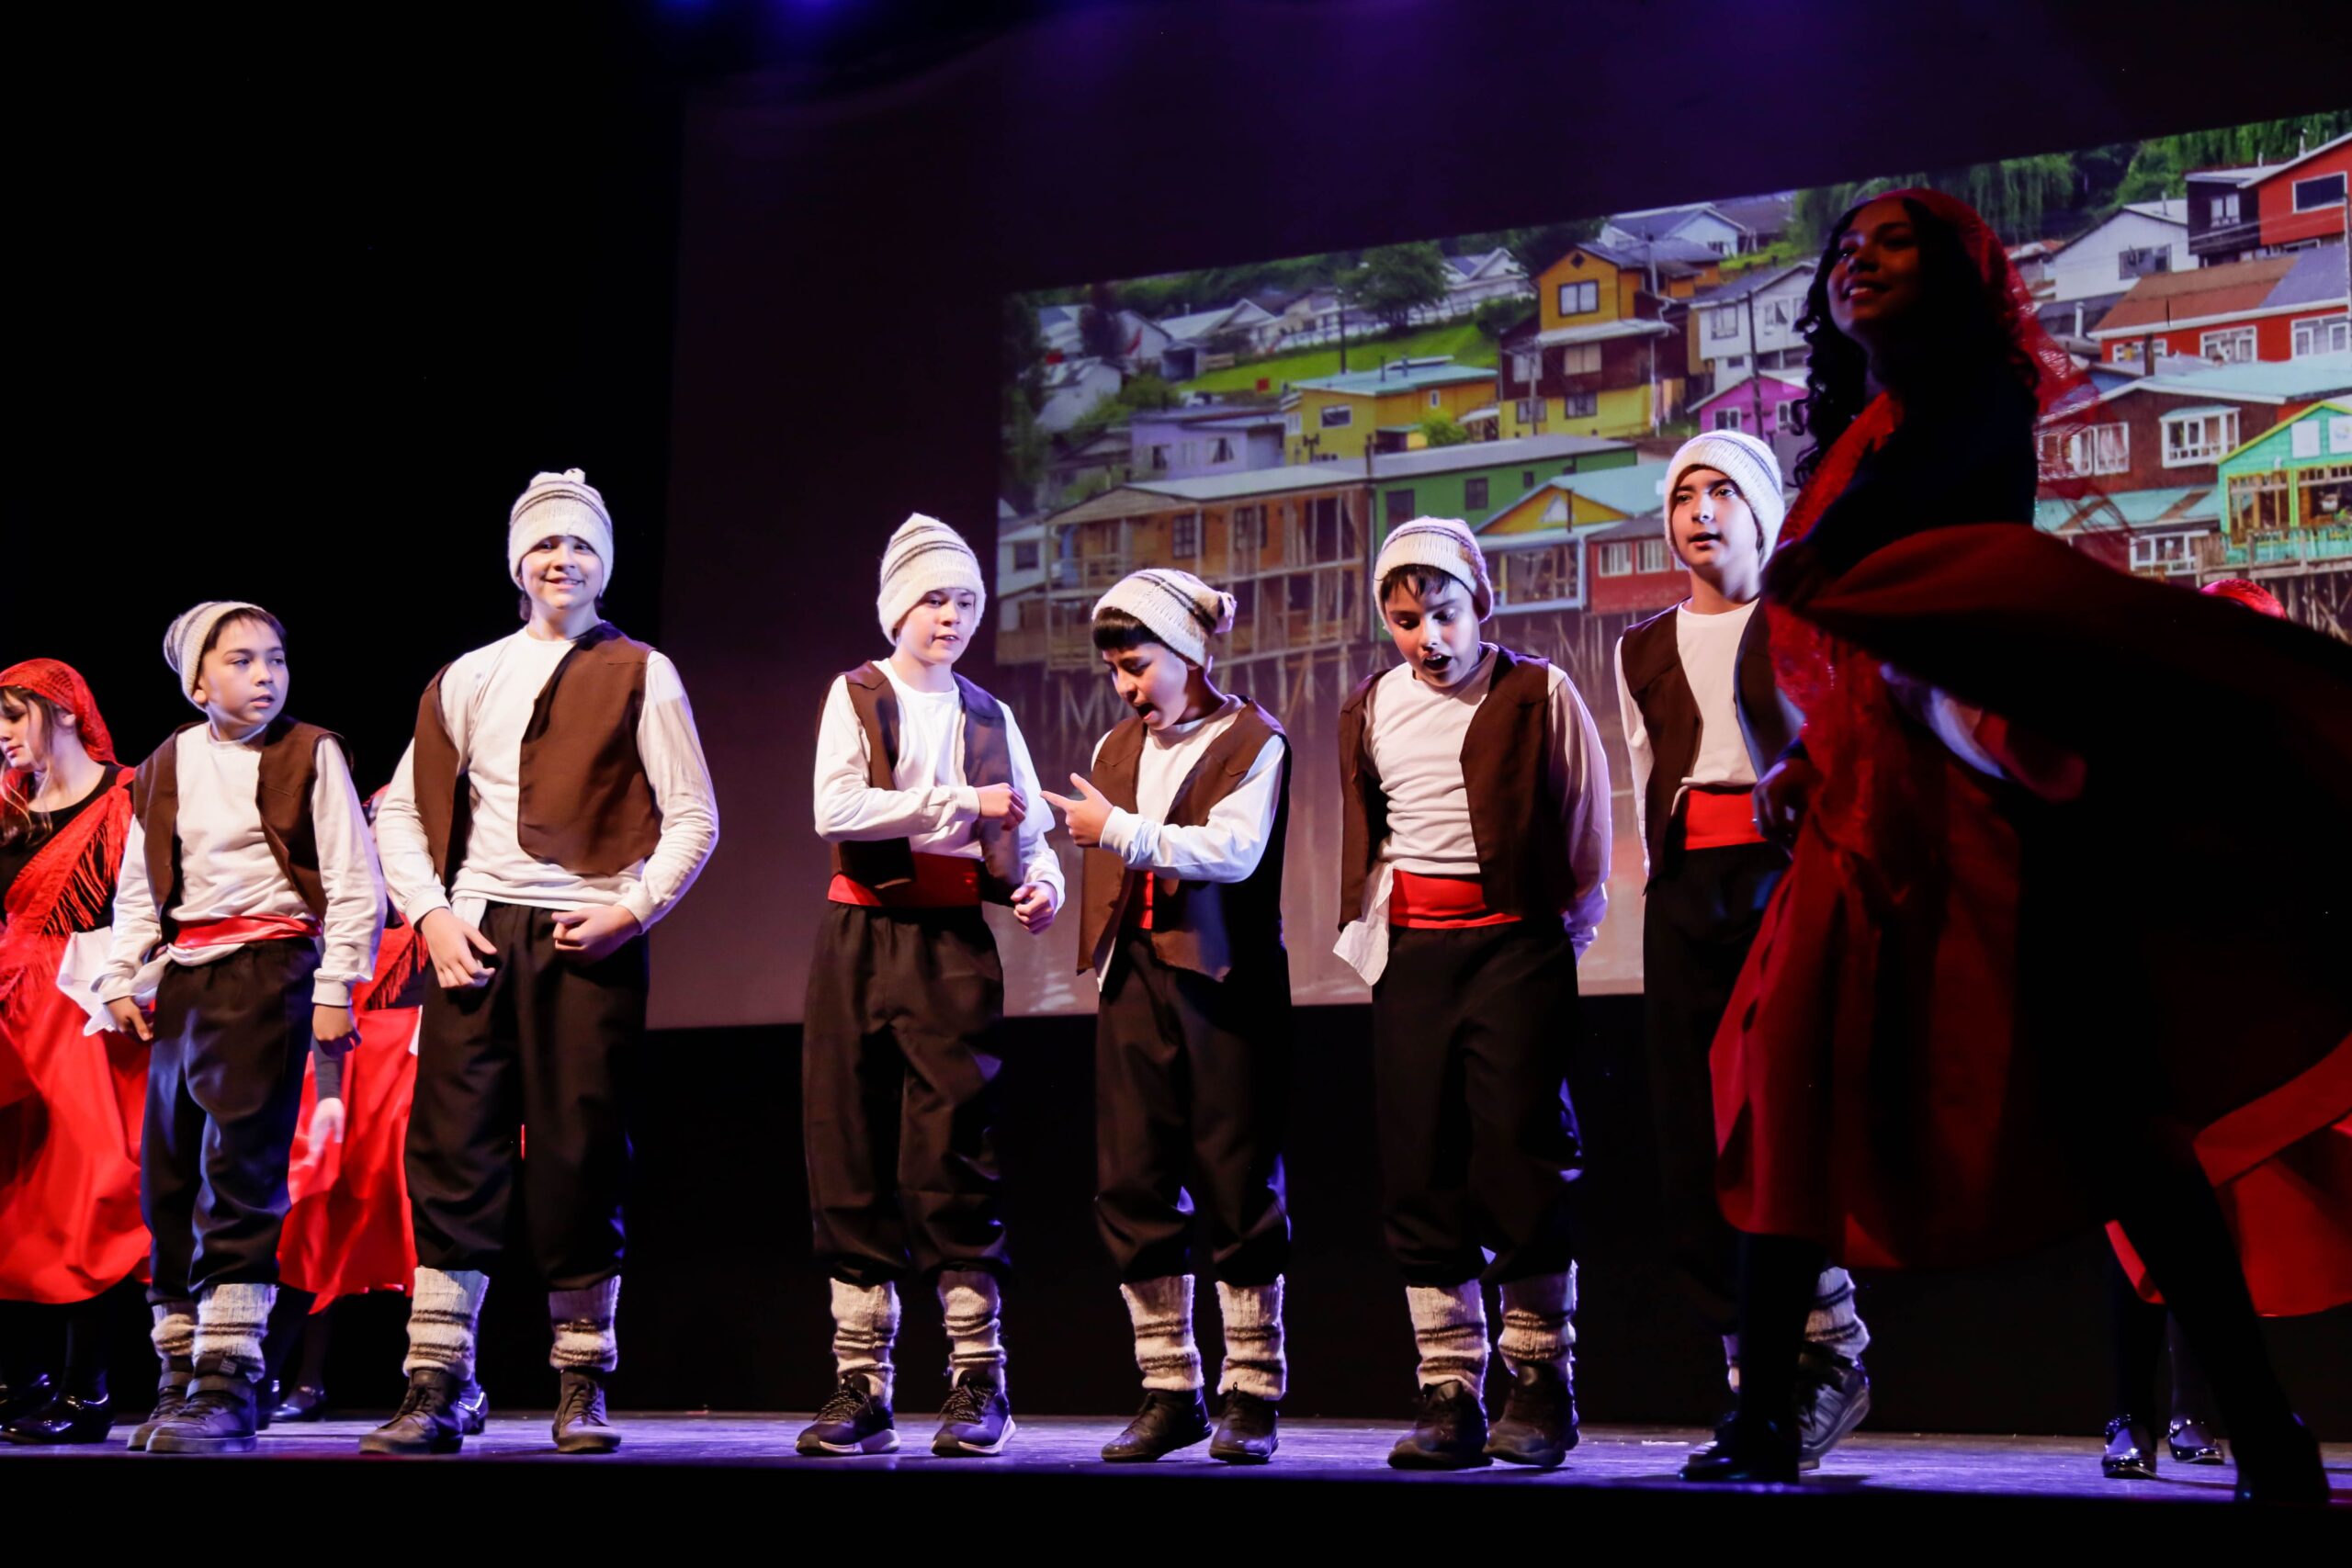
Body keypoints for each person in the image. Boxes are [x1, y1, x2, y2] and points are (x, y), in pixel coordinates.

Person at [1693, 189, 2349, 1505]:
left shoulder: (1977, 395)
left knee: (2106, 1102)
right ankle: (1762, 1416)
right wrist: (1802, 750)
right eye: (1844, 249)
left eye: (1892, 242)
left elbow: (1928, 578)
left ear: (1955, 271)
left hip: (1983, 791)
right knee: (1787, 1073)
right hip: (1867, 802)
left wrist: (1811, 578)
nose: (1858, 261)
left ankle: (2263, 1426)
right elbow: (1848, 619)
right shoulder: (1865, 428)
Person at [368, 468, 719, 1455]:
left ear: (605, 563)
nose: (562, 561)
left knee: (580, 1155)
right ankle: (439, 1378)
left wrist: (631, 910)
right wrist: (432, 916)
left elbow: (694, 815)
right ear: (518, 562)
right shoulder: (467, 675)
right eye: (546, 545)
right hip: (477, 939)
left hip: (583, 938)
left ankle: (581, 1377)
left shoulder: (643, 672)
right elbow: (401, 812)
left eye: (580, 546)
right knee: (454, 1154)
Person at [1613, 434, 1871, 1473]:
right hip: (1688, 891)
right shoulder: (1641, 646)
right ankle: (1749, 1387)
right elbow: (1648, 768)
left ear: (1762, 512)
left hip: (1780, 878)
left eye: (1723, 490)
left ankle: (1829, 1348)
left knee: (1777, 1123)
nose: (1701, 509)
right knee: (1695, 1133)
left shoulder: (1799, 622)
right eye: (1684, 493)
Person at [1335, 517, 1611, 1470]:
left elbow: (1584, 820)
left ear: (1480, 603)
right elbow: (1372, 828)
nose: (1429, 638)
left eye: (1445, 613)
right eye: (1407, 621)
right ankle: (1448, 1385)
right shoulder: (1370, 705)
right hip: (1416, 955)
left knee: (1521, 1157)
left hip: (1515, 948)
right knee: (1421, 1164)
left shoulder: (1538, 691)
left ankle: (1540, 1379)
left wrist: (1561, 931)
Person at [796, 513, 1060, 1460]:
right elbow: (836, 806)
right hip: (861, 933)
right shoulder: (858, 693)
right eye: (935, 599)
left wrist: (1040, 884)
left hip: (951, 941)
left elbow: (1029, 830)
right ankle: (861, 1385)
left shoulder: (990, 714)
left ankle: (978, 1377)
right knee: (850, 1146)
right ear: (897, 606)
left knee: (954, 1151)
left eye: (967, 602)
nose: (951, 617)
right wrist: (957, 800)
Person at [101, 604, 386, 1454]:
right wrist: (121, 973)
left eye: (276, 659)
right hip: (186, 976)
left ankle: (229, 1377)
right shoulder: (165, 764)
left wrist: (337, 983)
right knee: (168, 1179)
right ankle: (179, 1372)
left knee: (239, 1171)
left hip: (271, 967)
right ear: (197, 681)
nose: (266, 675)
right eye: (241, 661)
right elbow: (140, 885)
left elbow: (353, 878)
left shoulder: (310, 751)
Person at [1043, 569, 1292, 1464]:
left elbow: (1232, 850)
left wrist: (1117, 830)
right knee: (1134, 1179)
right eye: (1115, 669)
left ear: (1188, 653)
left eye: (1138, 665)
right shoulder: (1117, 748)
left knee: (1237, 1178)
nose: (1125, 686)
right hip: (1134, 976)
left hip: (1223, 980)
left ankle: (1252, 1390)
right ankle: (1169, 1386)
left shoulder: (1253, 739)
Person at [0, 661, 148, 1445]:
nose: (2, 735)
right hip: (12, 1005)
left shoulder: (127, 797)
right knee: (13, 1196)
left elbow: (151, 905)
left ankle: (89, 1387)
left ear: (62, 711)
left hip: (85, 1004)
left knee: (87, 1191)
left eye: (13, 716)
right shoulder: (6, 806)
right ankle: (20, 1378)